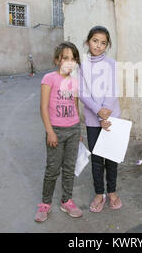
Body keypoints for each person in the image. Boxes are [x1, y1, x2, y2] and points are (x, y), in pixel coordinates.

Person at [35, 42, 83, 222]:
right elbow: (43, 106)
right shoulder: (49, 79)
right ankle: (45, 204)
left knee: (69, 168)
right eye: (66, 58)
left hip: (73, 129)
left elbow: (75, 106)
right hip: (55, 130)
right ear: (57, 60)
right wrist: (50, 132)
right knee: (53, 169)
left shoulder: (75, 82)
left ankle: (66, 200)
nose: (69, 62)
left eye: (73, 59)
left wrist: (78, 130)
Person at [79, 26, 122, 213]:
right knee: (97, 159)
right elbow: (82, 93)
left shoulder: (112, 64)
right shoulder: (81, 65)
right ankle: (99, 193)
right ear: (88, 41)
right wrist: (99, 113)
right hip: (93, 120)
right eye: (95, 40)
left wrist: (107, 115)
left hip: (112, 118)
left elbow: (113, 90)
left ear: (107, 45)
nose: (98, 45)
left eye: (103, 42)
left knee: (111, 158)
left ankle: (112, 192)